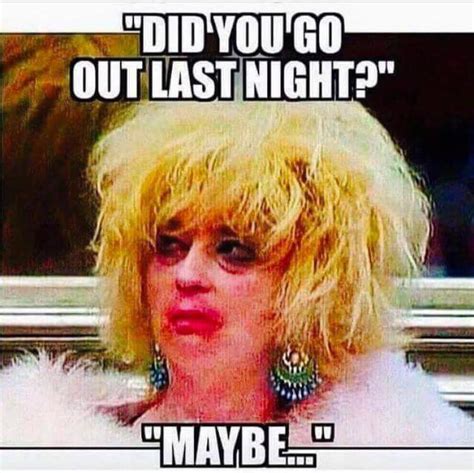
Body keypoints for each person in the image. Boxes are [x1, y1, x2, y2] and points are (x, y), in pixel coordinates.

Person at [1, 101, 472, 446]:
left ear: (312, 281)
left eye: (234, 251)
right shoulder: (38, 441)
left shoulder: (404, 445)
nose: (187, 275)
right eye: (168, 246)